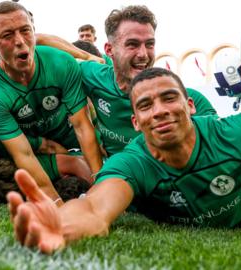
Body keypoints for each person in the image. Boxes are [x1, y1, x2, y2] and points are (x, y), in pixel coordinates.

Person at [7, 67, 241, 254]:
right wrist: (61, 225)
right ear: (136, 122)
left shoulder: (236, 133)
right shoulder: (131, 164)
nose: (159, 110)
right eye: (145, 105)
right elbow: (93, 207)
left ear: (190, 105)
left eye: (169, 98)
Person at [0, 1, 103, 203]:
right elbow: (24, 154)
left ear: (34, 31)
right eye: (7, 35)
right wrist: (55, 203)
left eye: (25, 31)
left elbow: (82, 126)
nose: (20, 41)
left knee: (104, 173)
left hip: (70, 138)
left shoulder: (61, 63)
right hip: (34, 147)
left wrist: (101, 184)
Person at [80, 5, 217, 157]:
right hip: (118, 174)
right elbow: (51, 53)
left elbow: (220, 145)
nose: (143, 54)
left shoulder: (187, 99)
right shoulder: (92, 75)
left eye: (150, 44)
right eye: (132, 44)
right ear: (109, 50)